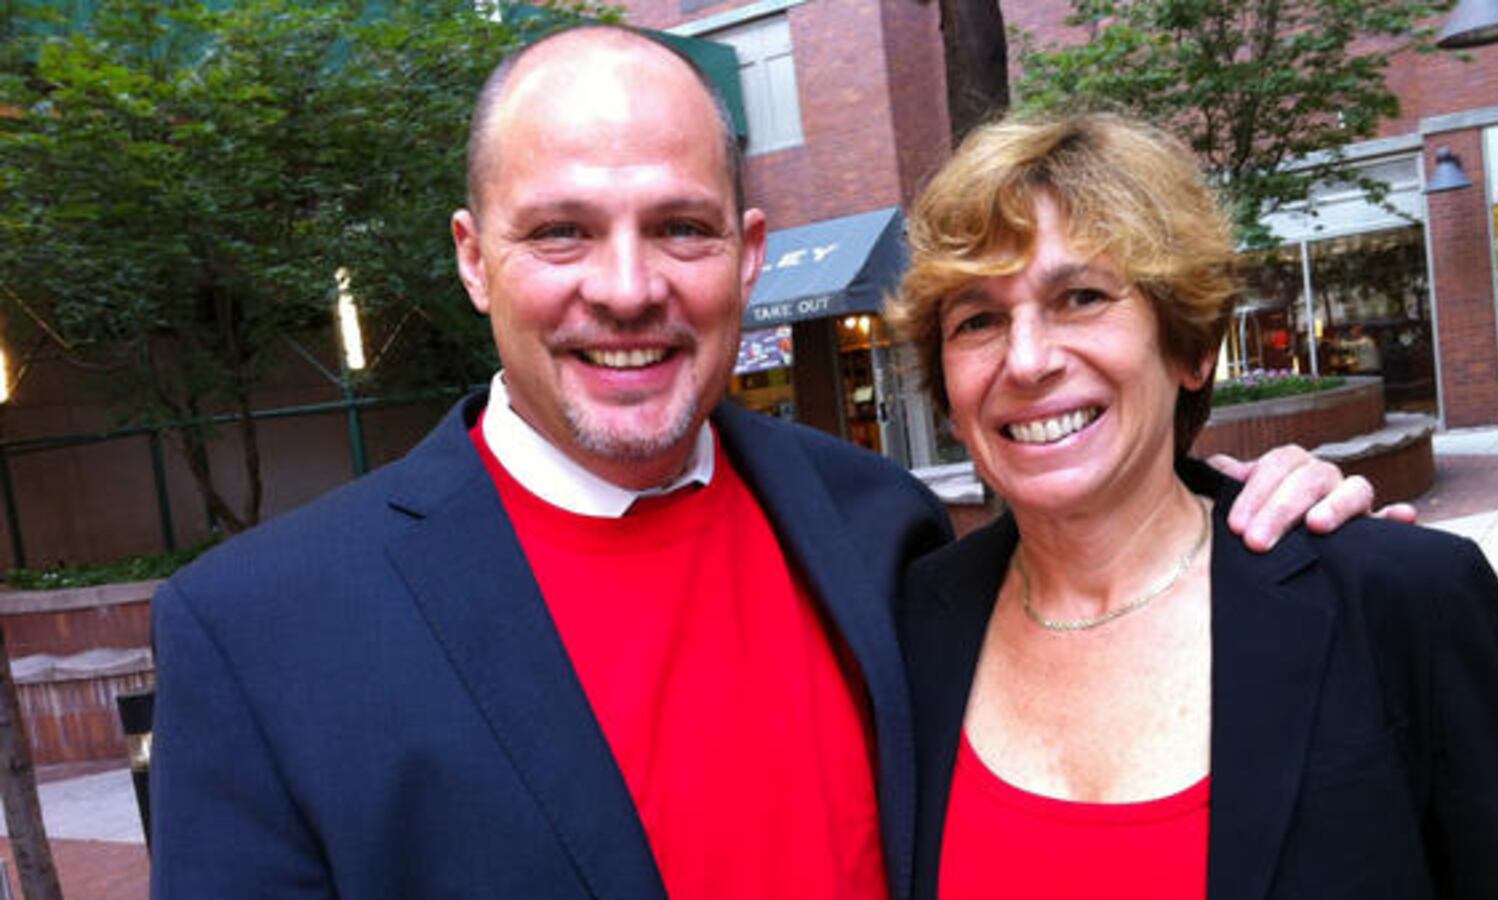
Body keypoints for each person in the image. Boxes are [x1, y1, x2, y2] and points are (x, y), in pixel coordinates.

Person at [150, 28, 1382, 900]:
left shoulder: (877, 527)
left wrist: (1236, 511)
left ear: (747, 254)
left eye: (678, 228)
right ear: (476, 260)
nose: (626, 289)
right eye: (562, 231)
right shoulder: (265, 634)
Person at [889, 111, 1498, 899]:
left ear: (1190, 344)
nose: (1029, 359)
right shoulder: (905, 631)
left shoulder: (1400, 601)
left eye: (1080, 296)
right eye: (979, 319)